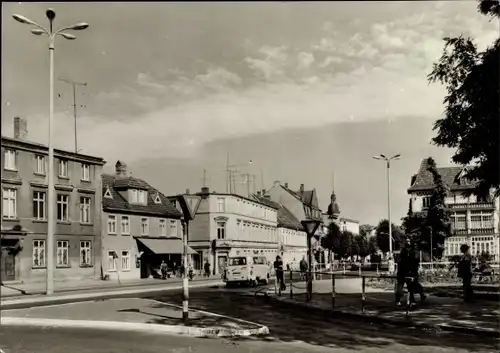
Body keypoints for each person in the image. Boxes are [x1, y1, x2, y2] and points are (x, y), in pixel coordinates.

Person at [395, 238, 415, 306]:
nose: (408, 242)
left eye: (409, 241)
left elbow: (413, 262)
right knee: (400, 287)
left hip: (408, 272)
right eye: (407, 241)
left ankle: (412, 301)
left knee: (410, 287)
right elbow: (400, 261)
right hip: (402, 272)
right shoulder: (403, 251)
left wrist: (413, 272)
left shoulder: (412, 251)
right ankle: (398, 300)